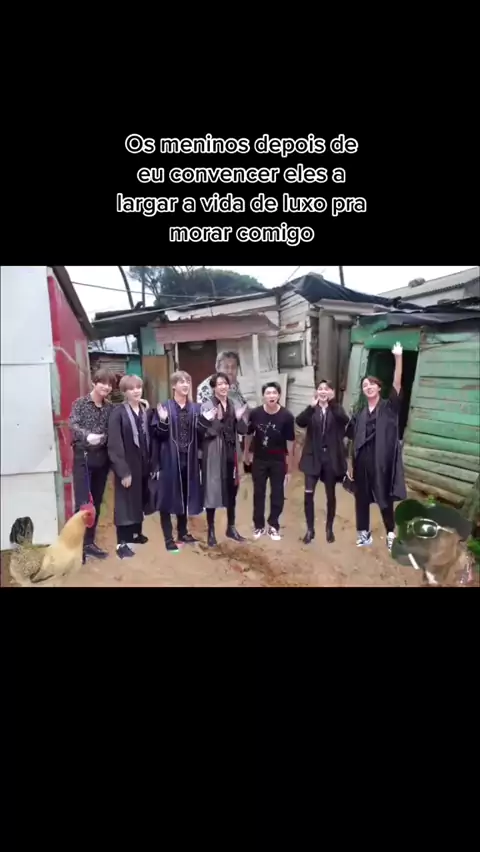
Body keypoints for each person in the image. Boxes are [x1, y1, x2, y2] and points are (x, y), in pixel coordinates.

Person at [346, 342, 407, 550]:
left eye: (372, 384)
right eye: (365, 385)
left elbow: (397, 384)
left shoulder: (389, 408)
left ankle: (390, 533)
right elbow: (353, 438)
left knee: (384, 498)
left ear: (379, 388)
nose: (368, 387)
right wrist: (351, 463)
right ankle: (364, 535)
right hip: (362, 461)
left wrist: (398, 357)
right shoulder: (360, 414)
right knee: (361, 499)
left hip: (381, 462)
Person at [149, 371, 204, 553]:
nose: (185, 384)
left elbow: (202, 434)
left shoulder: (195, 409)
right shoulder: (164, 407)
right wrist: (163, 420)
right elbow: (158, 435)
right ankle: (168, 538)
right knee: (166, 497)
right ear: (173, 386)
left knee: (185, 495)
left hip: (189, 459)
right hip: (169, 458)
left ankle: (182, 532)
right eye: (181, 382)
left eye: (188, 381)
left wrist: (207, 421)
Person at [69, 369, 115, 561]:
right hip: (83, 457)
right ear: (94, 383)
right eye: (102, 382)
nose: (106, 387)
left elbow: (113, 430)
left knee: (96, 503)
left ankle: (88, 543)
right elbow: (73, 424)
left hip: (102, 460)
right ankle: (75, 548)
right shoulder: (80, 404)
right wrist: (87, 436)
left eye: (110, 384)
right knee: (83, 504)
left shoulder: (110, 408)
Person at [296, 380, 349, 545]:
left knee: (330, 495)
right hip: (312, 457)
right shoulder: (312, 410)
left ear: (331, 392)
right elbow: (300, 421)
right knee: (308, 494)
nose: (323, 391)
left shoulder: (336, 409)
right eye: (320, 389)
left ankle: (329, 528)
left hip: (330, 459)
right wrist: (311, 407)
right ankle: (310, 530)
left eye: (326, 389)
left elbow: (344, 420)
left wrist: (332, 404)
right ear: (316, 392)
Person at [199, 372, 248, 547]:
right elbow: (203, 432)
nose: (223, 387)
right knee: (211, 490)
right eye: (219, 384)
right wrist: (217, 420)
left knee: (232, 489)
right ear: (213, 387)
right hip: (214, 454)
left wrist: (239, 419)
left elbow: (242, 431)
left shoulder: (233, 404)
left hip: (230, 452)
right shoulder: (207, 405)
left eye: (225, 383)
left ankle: (231, 528)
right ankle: (211, 531)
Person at [244, 382, 295, 541]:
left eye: (274, 393)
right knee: (258, 493)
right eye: (268, 393)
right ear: (263, 396)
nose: (271, 396)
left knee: (277, 493)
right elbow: (249, 435)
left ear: (279, 395)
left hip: (278, 460)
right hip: (259, 459)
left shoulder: (287, 416)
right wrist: (246, 453)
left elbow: (290, 442)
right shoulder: (255, 414)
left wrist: (290, 466)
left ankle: (273, 525)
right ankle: (259, 525)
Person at [108, 375, 150, 559]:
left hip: (143, 465)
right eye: (131, 388)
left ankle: (136, 534)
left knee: (138, 501)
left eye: (138, 387)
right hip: (127, 464)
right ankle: (122, 543)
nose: (136, 391)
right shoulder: (118, 413)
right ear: (124, 392)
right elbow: (114, 444)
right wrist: (123, 471)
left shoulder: (144, 410)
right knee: (124, 503)